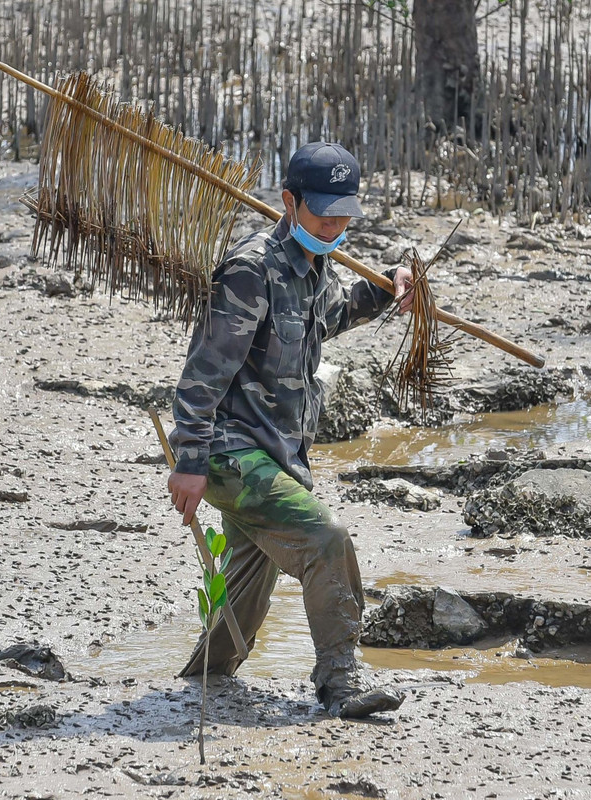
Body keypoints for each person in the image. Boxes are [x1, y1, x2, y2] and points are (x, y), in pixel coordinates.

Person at [167, 142, 414, 719]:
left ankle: (205, 679)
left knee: (248, 582)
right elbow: (202, 373)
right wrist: (190, 462)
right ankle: (340, 684)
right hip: (230, 451)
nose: (333, 223)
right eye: (322, 211)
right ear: (288, 202)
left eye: (343, 212)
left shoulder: (315, 261)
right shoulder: (250, 272)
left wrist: (386, 287)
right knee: (325, 540)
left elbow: (329, 317)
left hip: (278, 455)